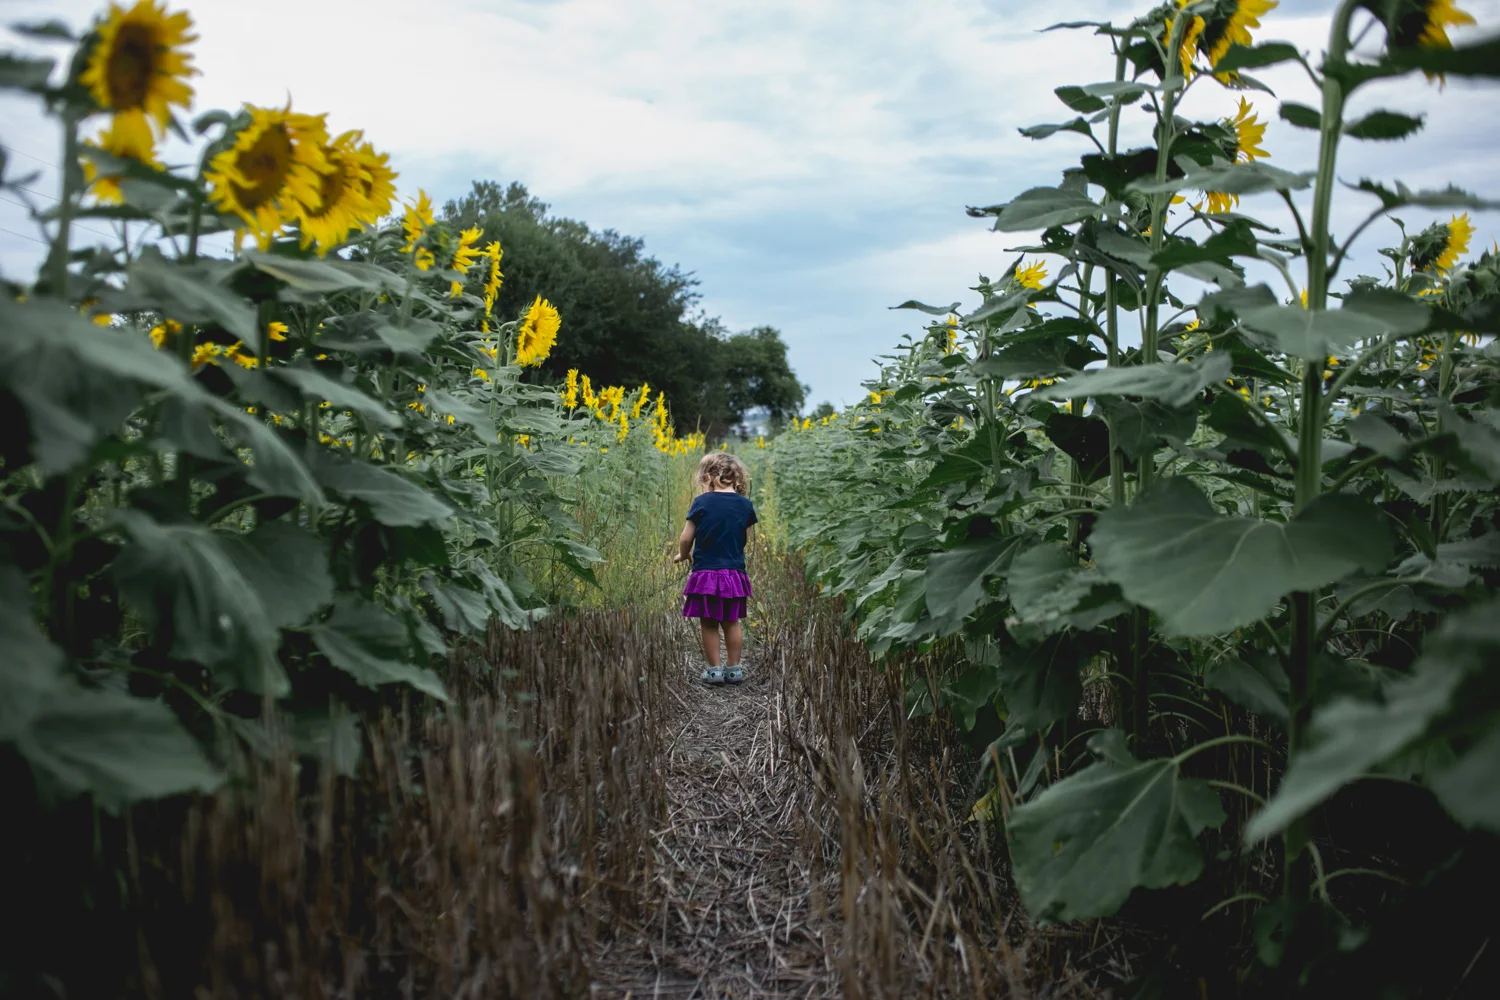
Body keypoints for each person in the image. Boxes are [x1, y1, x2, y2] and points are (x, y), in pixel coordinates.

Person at [674, 452, 756, 685]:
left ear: (708, 477)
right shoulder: (745, 505)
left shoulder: (701, 502)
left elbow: (686, 537)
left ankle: (714, 671)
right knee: (732, 620)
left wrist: (684, 554)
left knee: (709, 622)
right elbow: (745, 537)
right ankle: (734, 669)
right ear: (737, 478)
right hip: (734, 572)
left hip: (706, 574)